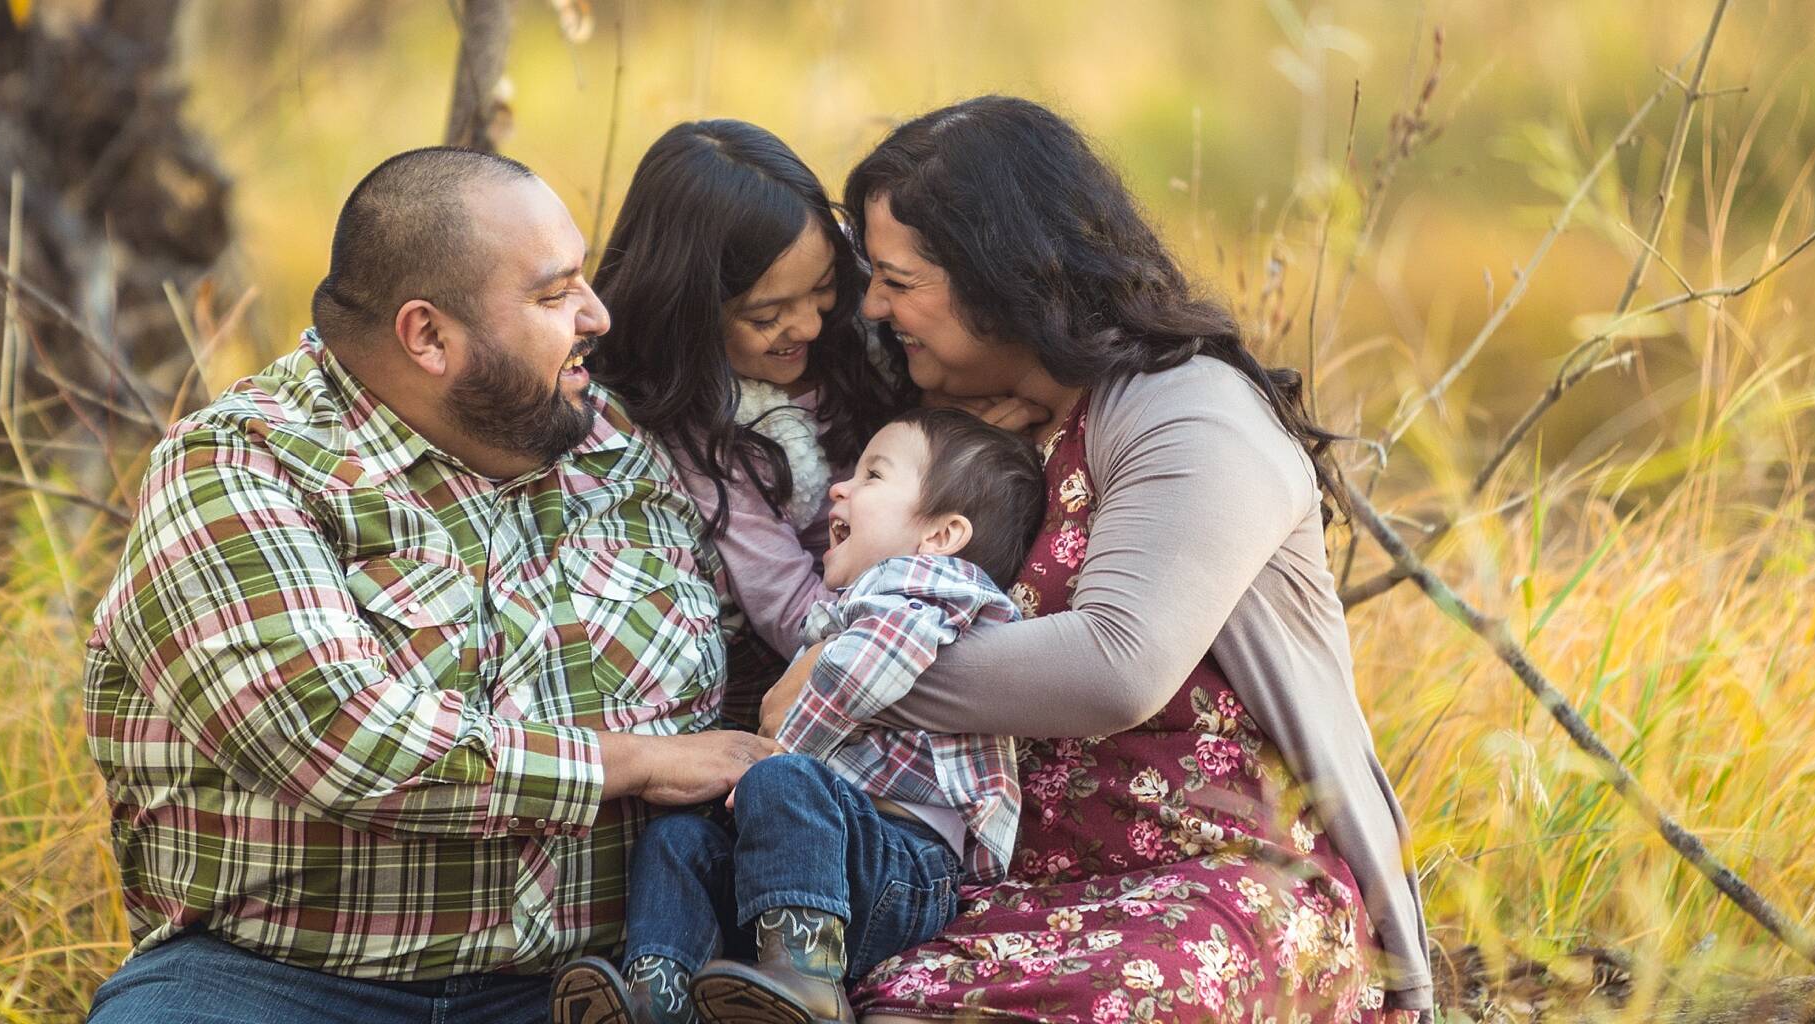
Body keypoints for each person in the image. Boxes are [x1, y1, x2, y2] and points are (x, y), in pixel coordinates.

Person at [759, 96, 1435, 1022]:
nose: (873, 306)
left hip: (1221, 881)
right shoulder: (1002, 429)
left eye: (898, 280)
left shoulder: (1189, 411)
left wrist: (844, 676)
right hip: (1014, 884)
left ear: (1001, 279)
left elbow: (1118, 662)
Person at [81, 147, 779, 1024]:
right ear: (429, 336)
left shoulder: (619, 455)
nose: (597, 316)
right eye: (554, 294)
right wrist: (632, 762)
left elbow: (741, 678)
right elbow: (338, 735)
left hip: (607, 980)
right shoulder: (237, 470)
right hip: (280, 978)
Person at [551, 409, 1046, 1024]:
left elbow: (867, 670)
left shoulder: (936, 586)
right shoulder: (854, 601)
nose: (841, 487)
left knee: (783, 780)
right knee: (678, 840)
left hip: (903, 867)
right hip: (825, 865)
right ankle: (658, 989)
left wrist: (778, 755)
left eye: (873, 476)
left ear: (942, 535)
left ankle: (808, 981)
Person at [586, 119, 909, 709]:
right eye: (767, 316)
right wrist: (908, 628)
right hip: (856, 645)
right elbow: (788, 608)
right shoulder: (706, 433)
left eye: (822, 288)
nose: (809, 325)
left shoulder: (866, 334)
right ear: (688, 314)